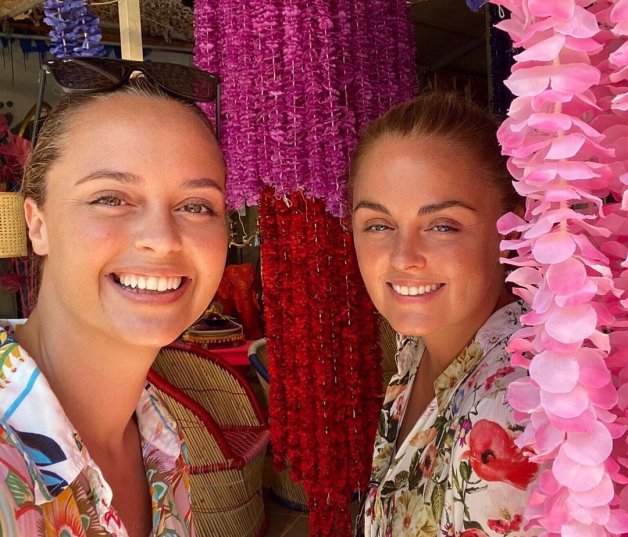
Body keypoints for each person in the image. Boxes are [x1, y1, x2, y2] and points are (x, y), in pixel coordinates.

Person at [0, 60, 227, 536]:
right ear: (37, 224)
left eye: (196, 206)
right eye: (111, 197)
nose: (162, 239)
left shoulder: (159, 435)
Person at [350, 93, 540, 537]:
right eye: (379, 225)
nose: (403, 257)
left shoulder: (509, 413)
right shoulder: (416, 344)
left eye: (442, 226)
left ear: (511, 229)